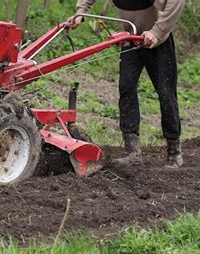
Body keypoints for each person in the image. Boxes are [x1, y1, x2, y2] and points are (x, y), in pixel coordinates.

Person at [67, 0, 185, 168]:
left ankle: (174, 152)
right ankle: (132, 152)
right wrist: (81, 12)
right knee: (126, 88)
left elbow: (176, 3)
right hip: (131, 38)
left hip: (158, 41)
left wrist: (157, 32)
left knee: (166, 94)